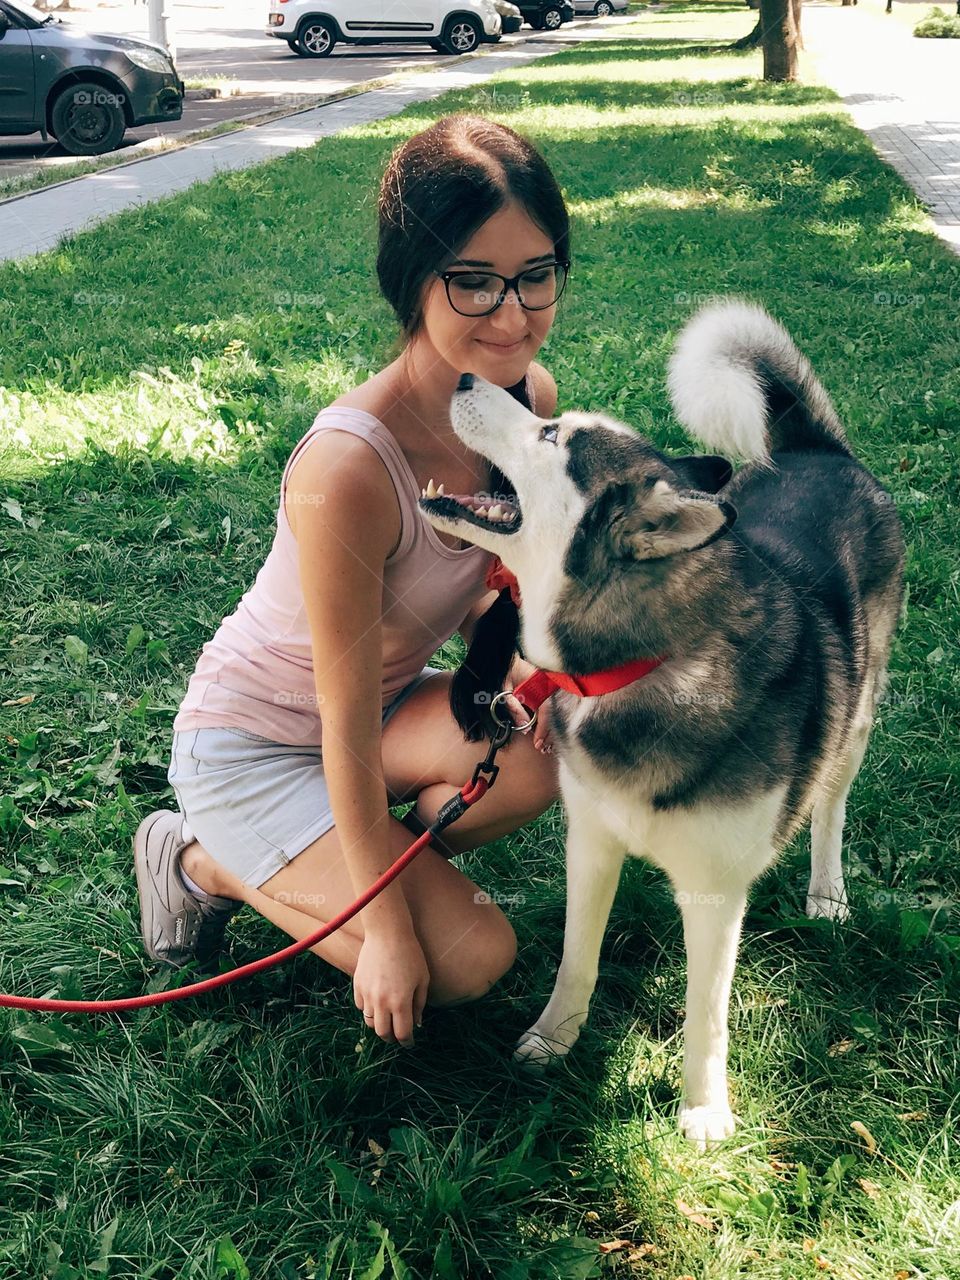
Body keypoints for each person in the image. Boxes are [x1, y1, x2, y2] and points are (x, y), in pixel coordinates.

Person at [133, 112, 571, 1051]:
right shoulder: (348, 469)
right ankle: (201, 859)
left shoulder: (528, 401)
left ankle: (343, 856)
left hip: (385, 709)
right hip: (255, 745)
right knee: (471, 959)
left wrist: (533, 658)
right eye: (473, 281)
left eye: (536, 275)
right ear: (411, 282)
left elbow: (480, 583)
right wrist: (387, 931)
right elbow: (338, 719)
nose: (513, 316)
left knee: (544, 755)